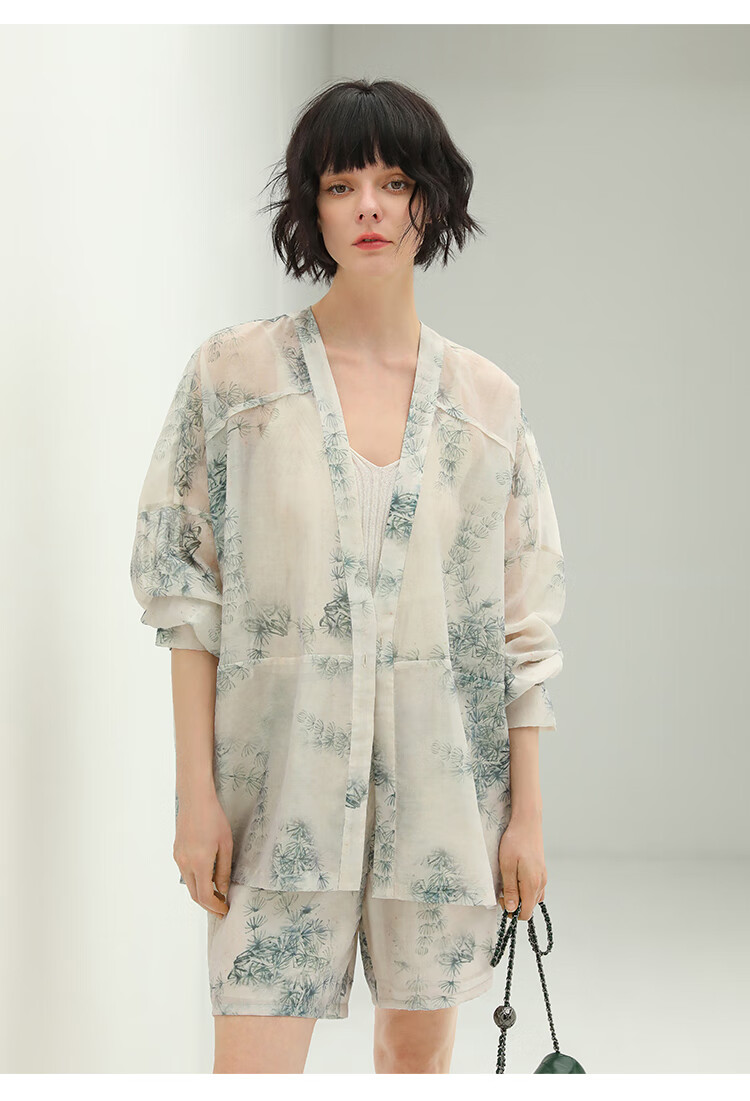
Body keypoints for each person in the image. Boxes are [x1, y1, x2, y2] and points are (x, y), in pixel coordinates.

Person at [130, 77, 566, 1074]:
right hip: (274, 803)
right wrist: (194, 797)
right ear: (311, 208)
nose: (369, 206)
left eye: (394, 181)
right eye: (340, 184)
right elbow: (185, 598)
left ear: (431, 202)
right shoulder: (235, 379)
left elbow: (523, 629)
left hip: (445, 806)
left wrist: (528, 820)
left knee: (416, 1067)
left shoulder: (487, 405)